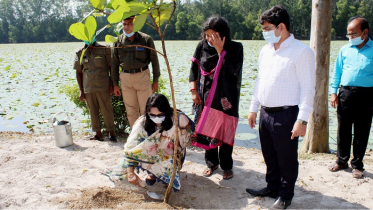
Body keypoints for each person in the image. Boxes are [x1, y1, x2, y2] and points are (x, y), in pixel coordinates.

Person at [246, 6, 315, 209]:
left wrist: (302, 120)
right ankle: (272, 187)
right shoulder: (265, 51)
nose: (264, 32)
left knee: (286, 159)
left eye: (267, 28)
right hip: (265, 113)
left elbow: (308, 88)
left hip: (286, 115)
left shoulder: (302, 52)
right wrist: (253, 107)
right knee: (269, 155)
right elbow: (260, 80)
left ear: (281, 26)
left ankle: (285, 195)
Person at [189, 15, 243, 180]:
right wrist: (193, 90)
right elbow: (194, 69)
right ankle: (212, 163)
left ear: (222, 34)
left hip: (227, 99)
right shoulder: (202, 47)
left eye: (213, 36)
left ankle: (227, 166)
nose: (210, 39)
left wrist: (221, 51)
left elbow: (233, 71)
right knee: (208, 129)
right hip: (207, 97)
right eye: (207, 36)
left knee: (226, 132)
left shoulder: (236, 48)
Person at [103, 94, 193, 191]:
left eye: (160, 115)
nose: (156, 118)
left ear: (166, 112)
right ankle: (152, 173)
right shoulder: (142, 122)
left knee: (169, 161)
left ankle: (166, 175)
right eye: (152, 115)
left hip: (170, 154)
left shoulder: (177, 119)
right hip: (149, 153)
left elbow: (187, 141)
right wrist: (131, 173)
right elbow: (130, 148)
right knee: (127, 163)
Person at [328, 16, 373, 179]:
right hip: (345, 93)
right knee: (343, 129)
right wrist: (333, 92)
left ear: (365, 32)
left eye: (353, 34)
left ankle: (357, 165)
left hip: (367, 95)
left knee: (362, 131)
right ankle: (341, 161)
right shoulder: (344, 50)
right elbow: (337, 72)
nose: (350, 37)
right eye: (349, 34)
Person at [111, 16, 161, 128]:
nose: (127, 27)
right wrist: (115, 84)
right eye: (124, 24)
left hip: (142, 76)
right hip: (126, 78)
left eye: (130, 24)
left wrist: (156, 79)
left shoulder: (146, 39)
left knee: (147, 109)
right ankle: (136, 136)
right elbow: (114, 64)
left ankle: (149, 134)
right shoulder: (118, 42)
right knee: (131, 111)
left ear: (136, 24)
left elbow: (154, 60)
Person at [73, 39, 117, 142]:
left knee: (107, 109)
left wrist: (112, 84)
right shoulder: (80, 52)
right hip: (88, 87)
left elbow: (112, 68)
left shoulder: (105, 49)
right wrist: (81, 90)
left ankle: (112, 133)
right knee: (93, 111)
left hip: (103, 85)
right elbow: (79, 72)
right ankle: (98, 134)